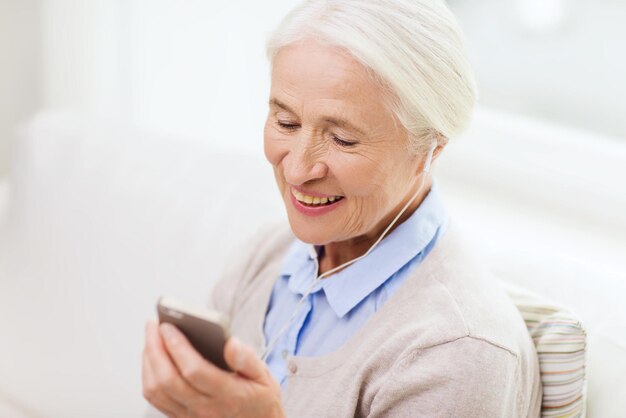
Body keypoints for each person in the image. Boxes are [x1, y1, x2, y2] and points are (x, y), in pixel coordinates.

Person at [142, 0, 542, 416]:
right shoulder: (270, 254)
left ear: (429, 148)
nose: (297, 169)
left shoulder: (459, 353)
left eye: (343, 140)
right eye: (286, 123)